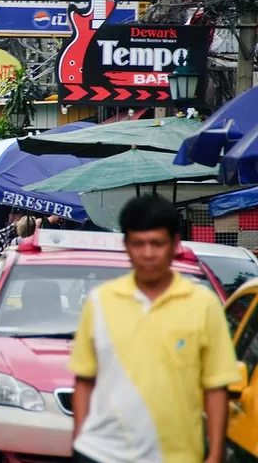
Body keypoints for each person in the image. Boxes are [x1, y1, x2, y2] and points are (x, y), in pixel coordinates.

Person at [68, 194, 239, 463]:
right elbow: (83, 380)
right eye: (139, 244)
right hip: (100, 453)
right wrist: (79, 439)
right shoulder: (100, 301)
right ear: (126, 245)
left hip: (177, 456)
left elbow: (216, 387)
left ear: (174, 245)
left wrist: (215, 453)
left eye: (157, 244)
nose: (148, 253)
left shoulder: (203, 304)